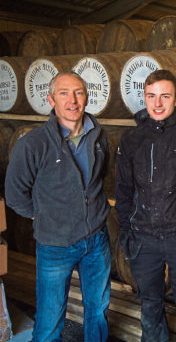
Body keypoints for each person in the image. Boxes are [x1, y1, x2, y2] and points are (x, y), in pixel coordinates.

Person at [5, 72, 112, 342]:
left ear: (87, 97)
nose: (72, 100)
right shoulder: (33, 144)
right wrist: (43, 216)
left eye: (78, 92)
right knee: (51, 317)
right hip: (55, 245)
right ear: (51, 99)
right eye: (64, 93)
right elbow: (15, 194)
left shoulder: (99, 137)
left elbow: (100, 177)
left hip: (96, 240)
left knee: (97, 312)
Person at [115, 70, 176, 342]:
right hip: (142, 237)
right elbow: (123, 191)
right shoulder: (131, 139)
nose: (157, 103)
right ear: (144, 98)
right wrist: (126, 232)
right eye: (151, 96)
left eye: (165, 96)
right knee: (150, 303)